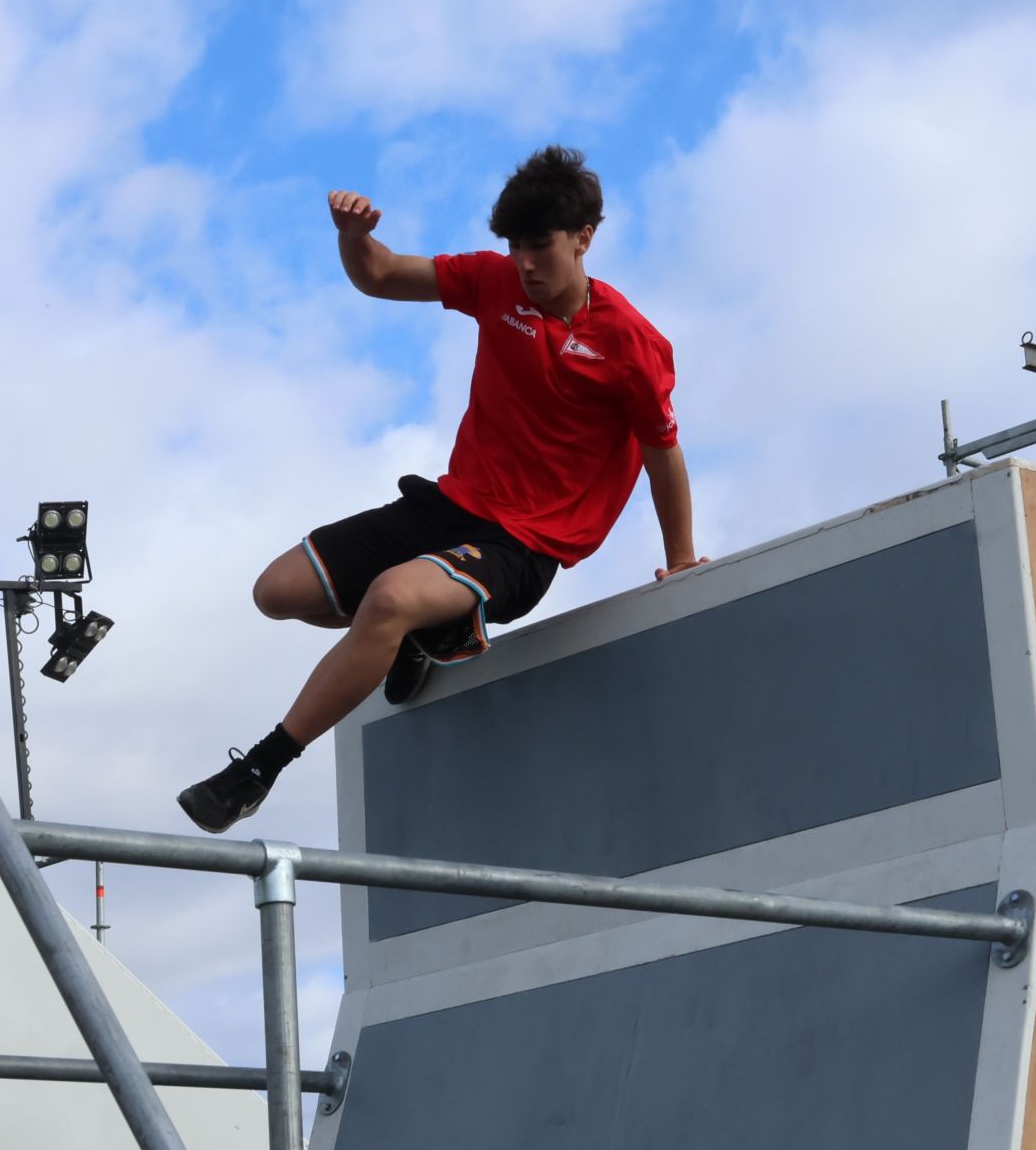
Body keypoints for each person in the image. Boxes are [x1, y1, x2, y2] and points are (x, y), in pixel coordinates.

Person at [178, 146, 705, 833]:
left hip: (524, 543)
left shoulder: (632, 344)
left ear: (583, 238)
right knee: (276, 592)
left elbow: (663, 453)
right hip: (450, 504)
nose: (525, 264)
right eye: (514, 246)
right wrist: (352, 236)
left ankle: (256, 770)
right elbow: (381, 275)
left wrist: (684, 558)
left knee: (391, 599)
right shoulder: (495, 283)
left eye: (540, 246)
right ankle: (419, 638)